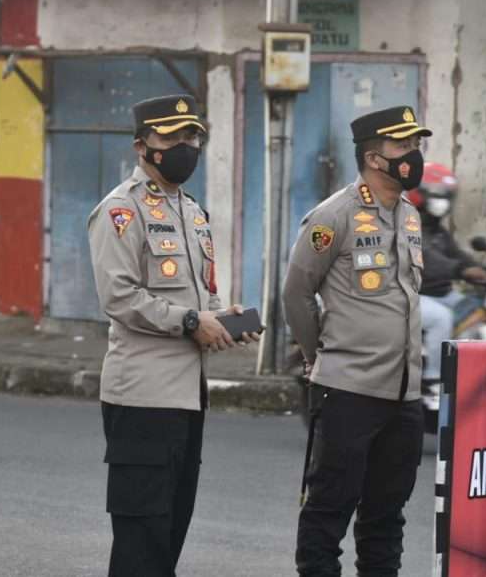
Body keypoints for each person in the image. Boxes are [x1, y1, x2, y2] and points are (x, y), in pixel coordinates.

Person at [87, 94, 260, 577]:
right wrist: (189, 323)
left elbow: (197, 299)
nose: (186, 145)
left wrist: (222, 318)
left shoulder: (192, 212)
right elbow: (119, 297)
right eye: (172, 136)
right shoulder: (121, 210)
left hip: (187, 397)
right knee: (141, 543)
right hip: (142, 397)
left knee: (168, 538)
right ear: (143, 146)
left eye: (192, 136)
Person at [283, 105, 430, 577]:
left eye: (416, 144)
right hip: (349, 390)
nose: (414, 154)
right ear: (373, 157)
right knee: (328, 513)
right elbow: (297, 292)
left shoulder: (410, 216)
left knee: (386, 518)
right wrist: (314, 357)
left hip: (402, 395)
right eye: (403, 145)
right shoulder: (333, 217)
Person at [405, 162, 486, 385]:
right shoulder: (407, 224)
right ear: (418, 193)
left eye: (446, 196)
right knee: (440, 319)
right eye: (436, 195)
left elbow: (456, 253)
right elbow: (426, 258)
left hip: (439, 294)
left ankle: (467, 373)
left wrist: (483, 269)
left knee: (478, 310)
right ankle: (435, 379)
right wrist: (461, 270)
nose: (442, 202)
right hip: (410, 295)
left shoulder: (436, 228)